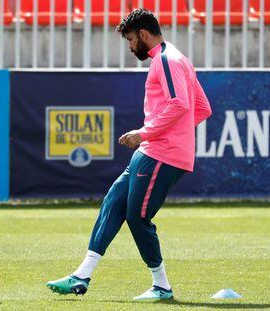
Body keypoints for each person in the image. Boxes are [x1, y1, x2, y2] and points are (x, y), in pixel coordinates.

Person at [47, 8, 212, 301]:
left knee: (138, 217)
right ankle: (81, 275)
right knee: (113, 203)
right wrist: (168, 134)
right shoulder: (178, 58)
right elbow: (202, 108)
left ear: (144, 34)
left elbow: (180, 104)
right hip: (153, 150)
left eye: (131, 40)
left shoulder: (166, 60)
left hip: (161, 153)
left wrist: (145, 133)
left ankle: (161, 286)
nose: (130, 46)